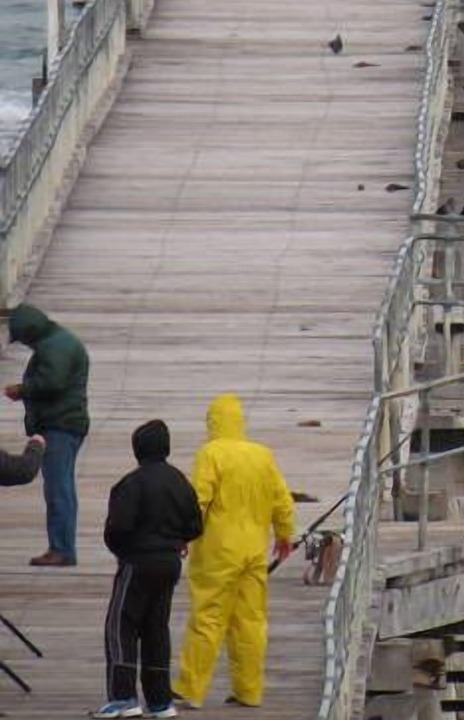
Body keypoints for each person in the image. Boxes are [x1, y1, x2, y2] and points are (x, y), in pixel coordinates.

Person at [173, 393, 295, 709]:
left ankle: (190, 689)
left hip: (218, 550)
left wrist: (183, 535)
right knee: (250, 622)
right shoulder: (262, 455)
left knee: (208, 617)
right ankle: (249, 690)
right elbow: (282, 500)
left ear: (212, 422)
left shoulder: (211, 453)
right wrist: (285, 535)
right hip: (254, 550)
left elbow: (198, 499)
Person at [93, 420, 202, 720]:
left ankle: (123, 697)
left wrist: (124, 553)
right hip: (170, 563)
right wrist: (177, 541)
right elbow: (196, 525)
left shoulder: (132, 483)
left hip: (137, 563)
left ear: (137, 449)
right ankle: (160, 702)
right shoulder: (180, 481)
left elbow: (117, 528)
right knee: (156, 628)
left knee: (121, 625)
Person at [4, 303, 90, 567]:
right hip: (67, 422)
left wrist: (23, 389)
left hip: (60, 425)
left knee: (57, 488)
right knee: (62, 486)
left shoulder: (54, 346)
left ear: (29, 331)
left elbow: (53, 382)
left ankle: (61, 549)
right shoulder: (57, 341)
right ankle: (63, 546)